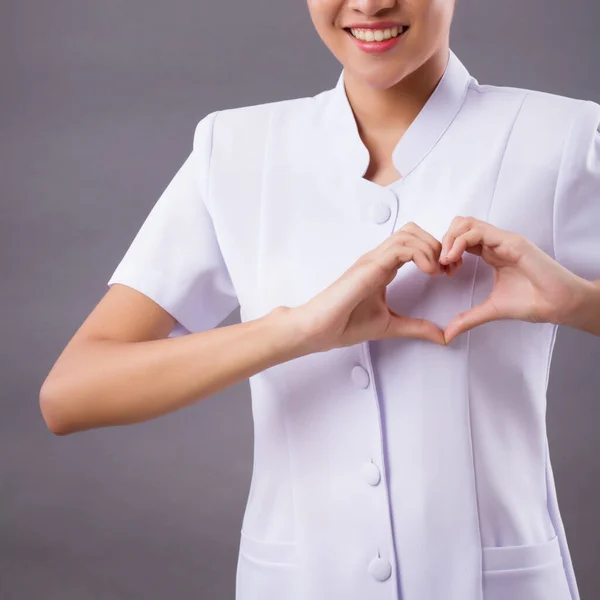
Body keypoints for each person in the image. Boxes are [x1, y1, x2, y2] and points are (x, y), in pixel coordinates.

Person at [39, 0, 600, 599]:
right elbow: (70, 394)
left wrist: (576, 302)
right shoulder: (235, 151)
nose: (369, 3)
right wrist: (296, 330)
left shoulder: (560, 137)